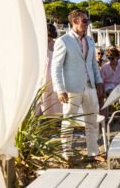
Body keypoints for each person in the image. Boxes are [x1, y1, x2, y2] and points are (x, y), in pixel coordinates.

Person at [51, 9, 105, 162]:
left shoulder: (89, 40)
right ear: (74, 21)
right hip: (71, 88)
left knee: (92, 120)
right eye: (85, 21)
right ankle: (66, 153)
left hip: (90, 86)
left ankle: (93, 152)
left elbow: (93, 63)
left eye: (88, 20)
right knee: (69, 121)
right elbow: (56, 67)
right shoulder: (63, 41)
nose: (88, 24)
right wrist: (60, 90)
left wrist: (99, 80)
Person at [39, 24, 62, 116]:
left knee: (54, 100)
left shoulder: (57, 44)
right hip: (43, 75)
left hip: (54, 75)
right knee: (43, 98)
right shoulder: (41, 45)